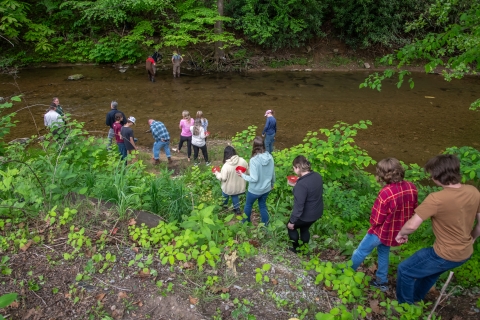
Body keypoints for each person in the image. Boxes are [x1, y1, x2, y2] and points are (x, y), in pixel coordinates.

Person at [395, 154, 480, 304]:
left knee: (405, 270)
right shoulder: (473, 191)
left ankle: (405, 306)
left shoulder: (436, 199)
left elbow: (412, 225)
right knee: (431, 273)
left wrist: (401, 233)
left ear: (436, 175)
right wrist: (472, 238)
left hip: (444, 254)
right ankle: (416, 298)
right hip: (465, 252)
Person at [350, 158, 418, 292]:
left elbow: (377, 219)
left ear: (382, 175)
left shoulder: (386, 193)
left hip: (380, 232)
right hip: (397, 231)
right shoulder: (411, 187)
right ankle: (382, 282)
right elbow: (414, 209)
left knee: (361, 251)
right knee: (383, 253)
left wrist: (373, 225)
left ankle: (347, 271)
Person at [287, 155, 324, 253]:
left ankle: (296, 248)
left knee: (291, 227)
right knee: (304, 228)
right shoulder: (317, 176)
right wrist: (297, 184)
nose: (293, 169)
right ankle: (304, 248)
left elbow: (299, 207)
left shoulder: (302, 185)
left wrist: (292, 221)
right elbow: (311, 189)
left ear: (298, 167)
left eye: (294, 168)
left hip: (306, 215)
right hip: (317, 212)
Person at [238, 136, 275, 225]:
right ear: (264, 145)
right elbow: (273, 173)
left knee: (248, 205)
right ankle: (266, 224)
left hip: (254, 190)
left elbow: (254, 178)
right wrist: (272, 183)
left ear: (254, 146)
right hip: (266, 188)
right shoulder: (270, 157)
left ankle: (245, 222)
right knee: (262, 205)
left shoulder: (253, 160)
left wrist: (242, 175)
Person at [214, 146, 248, 215]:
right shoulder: (242, 161)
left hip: (228, 187)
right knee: (235, 195)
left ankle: (224, 207)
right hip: (238, 186)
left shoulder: (226, 166)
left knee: (225, 196)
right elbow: (247, 171)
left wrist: (217, 173)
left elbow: (223, 178)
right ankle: (237, 209)